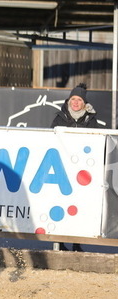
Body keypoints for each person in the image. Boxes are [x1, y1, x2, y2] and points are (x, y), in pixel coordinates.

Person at [50, 82, 103, 252]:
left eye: (79, 100)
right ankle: (59, 242)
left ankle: (77, 242)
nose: (75, 102)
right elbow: (51, 141)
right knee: (60, 205)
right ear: (68, 100)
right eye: (73, 99)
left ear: (84, 103)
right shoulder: (60, 118)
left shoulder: (91, 120)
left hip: (82, 172)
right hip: (63, 170)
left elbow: (97, 143)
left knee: (79, 207)